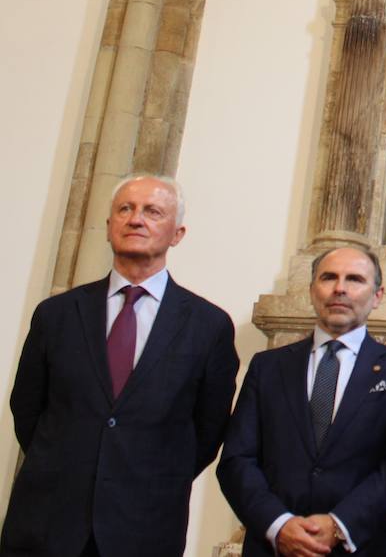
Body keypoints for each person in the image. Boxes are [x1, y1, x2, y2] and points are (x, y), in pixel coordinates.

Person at [1, 175, 238, 557]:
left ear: (177, 233)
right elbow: (27, 409)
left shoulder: (208, 326)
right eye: (124, 209)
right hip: (49, 522)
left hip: (145, 526)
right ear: (110, 226)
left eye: (152, 211)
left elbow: (207, 431)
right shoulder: (57, 314)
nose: (135, 219)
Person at [218, 246, 386, 557]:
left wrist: (339, 524)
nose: (339, 288)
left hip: (361, 545)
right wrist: (279, 524)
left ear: (378, 296)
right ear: (312, 289)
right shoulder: (267, 367)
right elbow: (237, 460)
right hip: (273, 545)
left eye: (354, 279)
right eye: (329, 277)